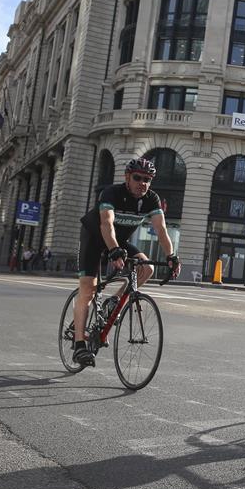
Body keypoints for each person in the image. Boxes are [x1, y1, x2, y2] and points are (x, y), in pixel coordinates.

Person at [72, 157, 181, 368]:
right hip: (95, 238)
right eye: (138, 178)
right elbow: (106, 223)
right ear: (127, 178)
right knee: (88, 290)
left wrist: (172, 256)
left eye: (147, 179)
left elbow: (161, 230)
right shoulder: (112, 193)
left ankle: (114, 300)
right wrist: (112, 251)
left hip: (120, 242)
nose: (143, 183)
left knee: (147, 268)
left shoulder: (151, 199)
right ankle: (79, 346)